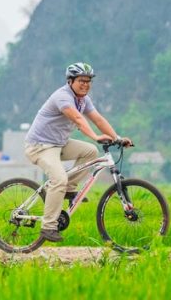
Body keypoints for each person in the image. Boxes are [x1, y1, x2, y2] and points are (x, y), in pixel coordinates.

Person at [24, 62, 132, 242]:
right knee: (58, 179)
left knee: (90, 151)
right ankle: (48, 226)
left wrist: (117, 137)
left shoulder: (84, 100)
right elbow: (77, 118)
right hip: (40, 146)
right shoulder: (62, 97)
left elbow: (97, 118)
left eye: (89, 81)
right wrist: (96, 137)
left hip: (59, 144)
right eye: (81, 80)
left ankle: (68, 189)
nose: (86, 84)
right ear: (70, 81)